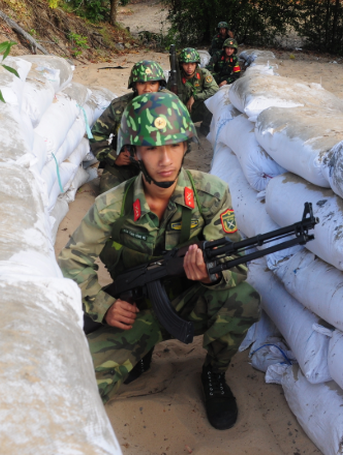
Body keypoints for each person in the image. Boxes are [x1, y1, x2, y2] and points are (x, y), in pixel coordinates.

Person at [58, 92, 260, 430]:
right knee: (77, 386)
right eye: (152, 148)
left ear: (186, 146)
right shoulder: (111, 205)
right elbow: (72, 260)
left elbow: (235, 261)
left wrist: (209, 276)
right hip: (133, 311)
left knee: (244, 299)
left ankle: (214, 373)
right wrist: (102, 304)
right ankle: (140, 353)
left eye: (174, 145)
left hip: (191, 300)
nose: (165, 159)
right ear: (135, 152)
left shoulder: (211, 194)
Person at [89, 60, 169, 194]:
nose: (147, 89)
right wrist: (114, 157)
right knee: (107, 195)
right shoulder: (120, 106)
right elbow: (97, 134)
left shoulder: (169, 107)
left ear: (159, 85)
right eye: (142, 83)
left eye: (153, 83)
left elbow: (184, 140)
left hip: (158, 164)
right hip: (126, 165)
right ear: (134, 85)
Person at [174, 47, 218, 136]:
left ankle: (205, 126)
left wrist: (195, 97)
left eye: (192, 64)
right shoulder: (175, 79)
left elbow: (215, 89)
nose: (189, 67)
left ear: (196, 64)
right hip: (180, 114)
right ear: (181, 64)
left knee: (213, 101)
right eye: (186, 64)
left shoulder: (203, 74)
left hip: (197, 111)